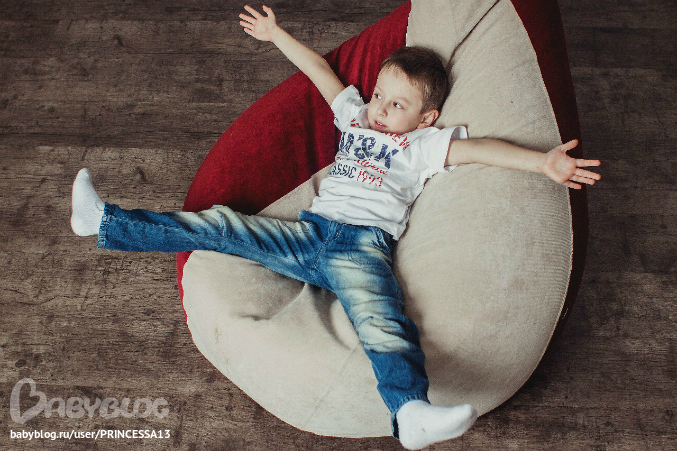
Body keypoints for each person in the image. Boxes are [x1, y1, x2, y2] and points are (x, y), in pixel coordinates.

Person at [70, 5, 601, 449]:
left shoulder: (422, 146)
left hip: (361, 249)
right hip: (309, 234)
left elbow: (481, 149)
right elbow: (321, 73)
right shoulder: (356, 118)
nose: (380, 110)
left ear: (425, 119)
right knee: (220, 226)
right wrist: (277, 34)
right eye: (379, 95)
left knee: (382, 319)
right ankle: (104, 221)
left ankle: (409, 412)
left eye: (397, 105)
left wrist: (543, 163)